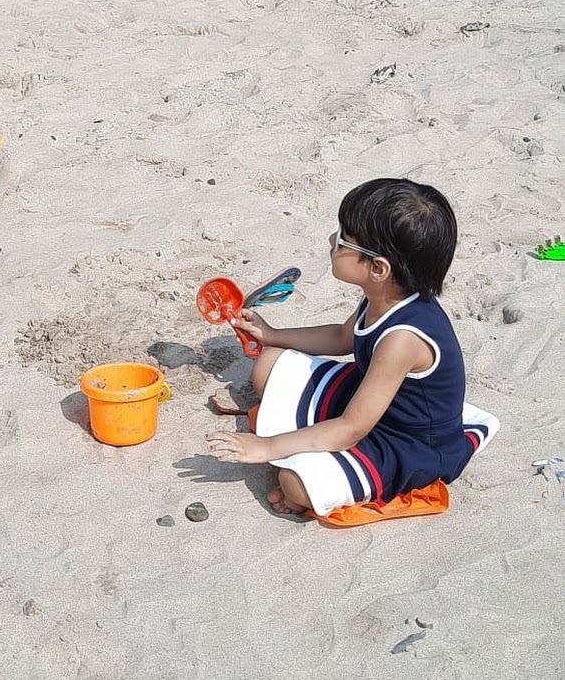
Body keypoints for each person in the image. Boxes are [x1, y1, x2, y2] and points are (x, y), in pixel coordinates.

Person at [206, 178, 499, 519]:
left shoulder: (403, 338)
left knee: (294, 483)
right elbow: (342, 337)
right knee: (268, 363)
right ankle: (306, 448)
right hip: (373, 400)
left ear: (378, 268)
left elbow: (351, 428)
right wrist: (271, 334)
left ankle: (321, 476)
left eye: (344, 239)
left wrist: (266, 447)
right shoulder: (387, 295)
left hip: (406, 443)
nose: (332, 240)